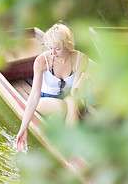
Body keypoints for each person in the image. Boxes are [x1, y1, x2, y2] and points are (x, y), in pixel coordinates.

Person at [16, 22, 88, 150]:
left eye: (57, 48)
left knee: (71, 102)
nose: (52, 52)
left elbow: (74, 94)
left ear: (68, 45)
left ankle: (69, 145)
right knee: (61, 107)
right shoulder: (42, 61)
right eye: (50, 47)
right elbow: (33, 96)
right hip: (44, 100)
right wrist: (23, 127)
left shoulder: (81, 59)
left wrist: (80, 86)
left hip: (68, 99)